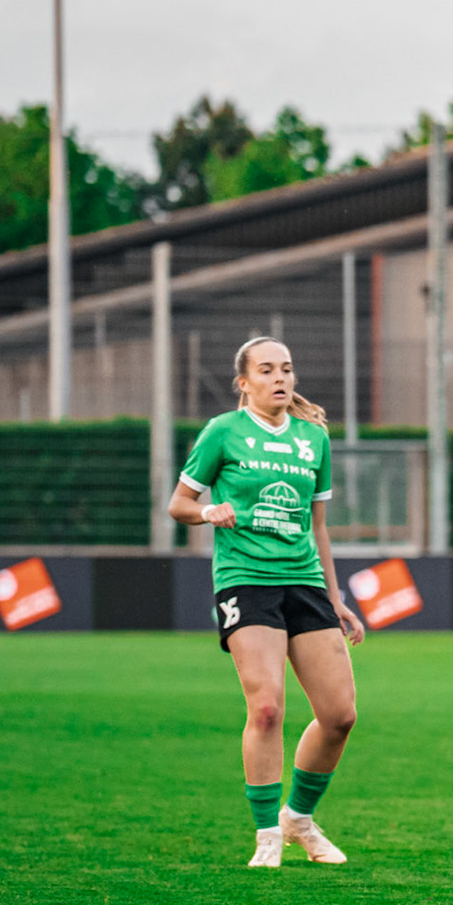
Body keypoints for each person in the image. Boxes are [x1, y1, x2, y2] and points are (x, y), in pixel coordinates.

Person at [168, 337, 366, 868]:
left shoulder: (312, 439)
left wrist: (336, 597)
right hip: (245, 578)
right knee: (267, 707)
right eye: (267, 370)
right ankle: (265, 835)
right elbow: (179, 504)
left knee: (340, 715)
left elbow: (318, 527)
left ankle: (298, 818)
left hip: (302, 580)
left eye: (287, 369)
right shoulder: (223, 432)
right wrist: (209, 512)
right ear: (245, 382)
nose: (280, 378)